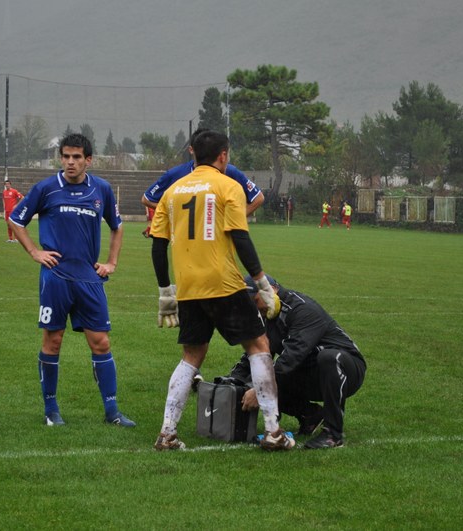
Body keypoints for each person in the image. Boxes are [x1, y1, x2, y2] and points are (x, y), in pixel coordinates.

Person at [149, 130, 294, 451]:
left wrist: (165, 291)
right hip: (225, 283)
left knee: (191, 356)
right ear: (223, 156)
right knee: (258, 345)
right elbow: (240, 237)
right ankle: (273, 431)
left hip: (188, 288)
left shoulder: (172, 192)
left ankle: (167, 433)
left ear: (193, 155)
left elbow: (158, 247)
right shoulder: (228, 186)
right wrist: (261, 282)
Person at [9, 133, 135, 428]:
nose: (70, 162)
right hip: (55, 279)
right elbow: (17, 219)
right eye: (65, 156)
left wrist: (111, 263)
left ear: (88, 160)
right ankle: (51, 410)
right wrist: (34, 252)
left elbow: (117, 227)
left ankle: (112, 412)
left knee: (101, 343)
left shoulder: (101, 189)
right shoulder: (47, 188)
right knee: (53, 341)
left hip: (89, 280)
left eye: (77, 157)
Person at [226, 276, 366, 449]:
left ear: (271, 291)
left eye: (255, 301)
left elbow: (293, 355)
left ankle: (333, 434)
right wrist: (233, 381)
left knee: (328, 358)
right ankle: (310, 415)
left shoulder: (303, 309)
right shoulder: (265, 315)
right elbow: (256, 353)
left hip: (346, 369)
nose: (253, 307)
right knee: (265, 377)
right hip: (308, 371)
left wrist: (261, 388)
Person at [141, 128, 264, 218]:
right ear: (191, 150)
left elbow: (258, 198)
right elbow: (147, 199)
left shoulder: (229, 172)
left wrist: (236, 219)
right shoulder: (176, 174)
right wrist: (177, 214)